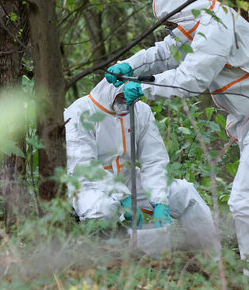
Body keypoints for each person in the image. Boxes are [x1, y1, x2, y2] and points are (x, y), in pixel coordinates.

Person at [106, 0, 249, 285]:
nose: (172, 30)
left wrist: (143, 87)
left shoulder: (216, 25)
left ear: (183, 14)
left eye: (172, 23)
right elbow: (166, 52)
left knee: (246, 200)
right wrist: (131, 65)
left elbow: (191, 80)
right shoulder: (198, 22)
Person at [64, 79, 220, 252]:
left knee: (184, 192)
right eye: (125, 97)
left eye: (137, 97)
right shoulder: (79, 111)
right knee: (102, 209)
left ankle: (209, 259)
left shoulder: (141, 111)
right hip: (88, 185)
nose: (132, 103)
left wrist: (159, 200)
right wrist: (121, 196)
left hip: (128, 178)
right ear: (113, 90)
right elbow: (83, 165)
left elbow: (153, 159)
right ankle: (105, 267)